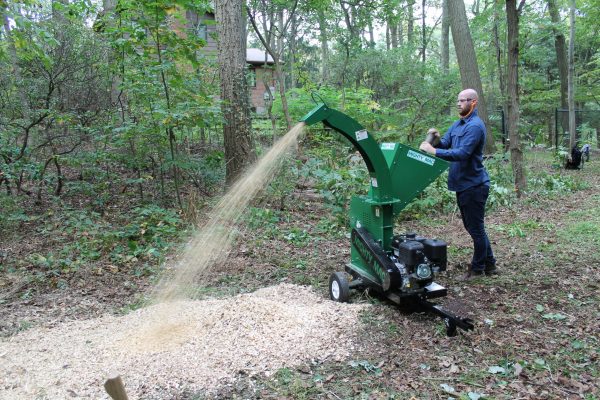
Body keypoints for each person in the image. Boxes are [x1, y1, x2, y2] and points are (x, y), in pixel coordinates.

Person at [419, 88, 498, 280]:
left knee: (475, 229)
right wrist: (436, 139)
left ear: (474, 103)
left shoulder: (475, 126)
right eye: (458, 101)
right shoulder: (458, 124)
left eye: (463, 100)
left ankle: (478, 269)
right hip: (463, 185)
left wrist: (433, 151)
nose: (459, 104)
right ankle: (490, 265)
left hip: (474, 185)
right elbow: (446, 143)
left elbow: (462, 153)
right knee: (475, 227)